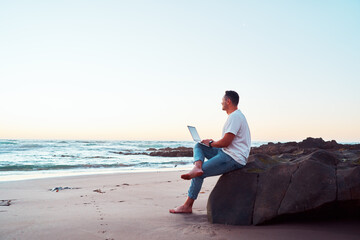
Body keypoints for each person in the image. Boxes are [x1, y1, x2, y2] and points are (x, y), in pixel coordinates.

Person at [169, 90, 251, 214]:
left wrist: (212, 143)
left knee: (199, 174)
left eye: (223, 100)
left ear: (228, 101)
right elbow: (226, 143)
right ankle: (197, 166)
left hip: (233, 158)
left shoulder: (235, 117)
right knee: (199, 145)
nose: (221, 102)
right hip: (226, 152)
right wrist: (211, 143)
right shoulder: (236, 116)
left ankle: (187, 206)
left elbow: (226, 142)